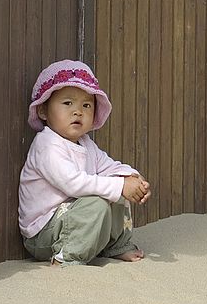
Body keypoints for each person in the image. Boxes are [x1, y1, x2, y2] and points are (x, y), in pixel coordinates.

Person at [18, 59, 151, 266]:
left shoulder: (85, 143)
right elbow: (73, 183)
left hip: (76, 217)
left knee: (116, 183)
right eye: (67, 103)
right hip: (44, 232)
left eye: (86, 105)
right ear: (43, 111)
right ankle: (67, 256)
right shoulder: (47, 146)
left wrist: (130, 176)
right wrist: (120, 186)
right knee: (102, 198)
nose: (78, 111)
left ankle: (116, 245)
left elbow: (109, 166)